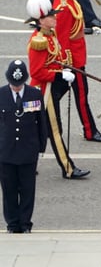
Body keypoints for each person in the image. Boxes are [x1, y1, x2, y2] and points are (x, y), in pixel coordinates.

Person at [25, 0, 90, 180]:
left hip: (51, 88)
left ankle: (27, 163)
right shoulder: (39, 41)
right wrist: (60, 74)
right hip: (43, 92)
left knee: (36, 130)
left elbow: (55, 59)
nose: (55, 17)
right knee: (54, 131)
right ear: (41, 20)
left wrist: (63, 70)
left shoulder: (50, 35)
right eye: (51, 16)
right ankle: (68, 168)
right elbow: (37, 73)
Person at [52, 0, 101, 142]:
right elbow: (62, 38)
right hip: (72, 60)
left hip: (77, 56)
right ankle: (90, 130)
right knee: (81, 96)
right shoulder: (64, 6)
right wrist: (67, 64)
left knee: (58, 95)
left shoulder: (69, 0)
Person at [0, 59, 47, 233]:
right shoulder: (1, 95)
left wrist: (41, 147)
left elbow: (41, 122)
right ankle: (12, 224)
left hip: (28, 150)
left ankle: (25, 223)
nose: (16, 87)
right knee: (9, 190)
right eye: (14, 84)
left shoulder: (34, 95)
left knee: (27, 190)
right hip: (6, 151)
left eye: (19, 84)